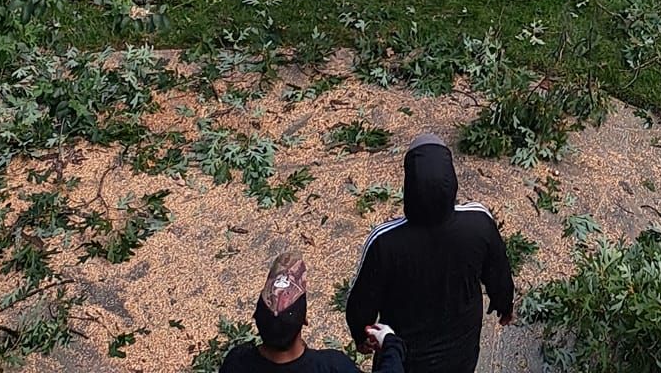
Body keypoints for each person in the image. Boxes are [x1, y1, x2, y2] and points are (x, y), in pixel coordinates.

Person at [345, 133, 515, 373]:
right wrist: (504, 304)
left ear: (409, 185)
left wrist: (361, 335)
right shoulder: (478, 223)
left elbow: (361, 303)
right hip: (461, 350)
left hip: (404, 357)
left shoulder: (385, 242)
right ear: (451, 179)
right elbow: (499, 272)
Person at [220, 252, 404, 373]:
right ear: (305, 320)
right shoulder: (332, 366)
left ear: (257, 320)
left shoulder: (236, 363)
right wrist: (391, 344)